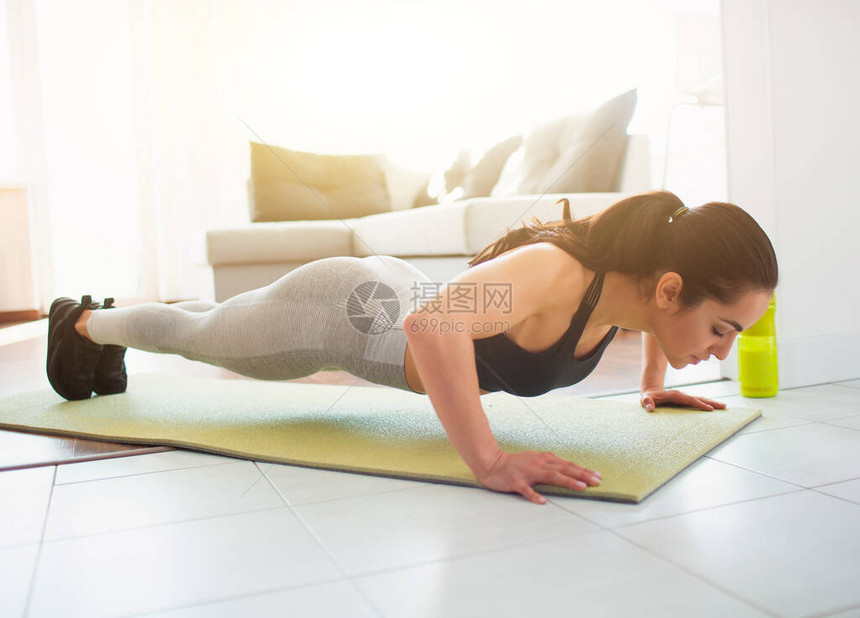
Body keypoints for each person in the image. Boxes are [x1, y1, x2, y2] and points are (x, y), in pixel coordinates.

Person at [46, 190, 779, 505]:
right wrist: (488, 460)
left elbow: (655, 322)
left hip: (393, 291)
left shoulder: (637, 289)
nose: (718, 351)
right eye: (722, 330)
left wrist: (656, 382)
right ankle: (83, 323)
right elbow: (435, 323)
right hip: (344, 314)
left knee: (217, 318)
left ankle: (105, 320)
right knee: (200, 336)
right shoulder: (558, 276)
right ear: (672, 287)